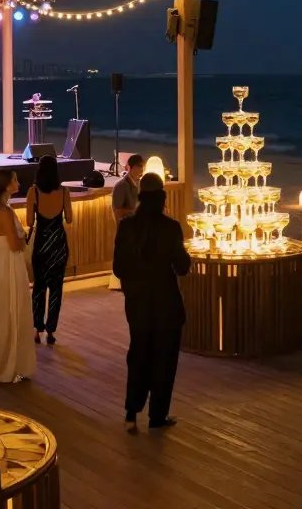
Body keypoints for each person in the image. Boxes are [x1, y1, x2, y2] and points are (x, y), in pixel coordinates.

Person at [113, 172, 191, 432]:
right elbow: (182, 267)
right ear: (162, 197)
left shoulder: (126, 226)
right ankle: (158, 415)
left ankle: (131, 413)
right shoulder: (171, 227)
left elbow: (118, 268)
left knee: (138, 354)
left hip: (137, 303)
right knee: (164, 359)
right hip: (166, 303)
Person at [0, 168, 37, 383]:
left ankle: (7, 362)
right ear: (7, 185)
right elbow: (15, 245)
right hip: (8, 265)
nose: (18, 182)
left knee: (3, 312)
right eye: (15, 180)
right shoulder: (4, 211)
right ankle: (7, 366)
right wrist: (25, 238)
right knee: (11, 312)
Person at [27, 155, 73, 345]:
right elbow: (69, 219)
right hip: (59, 243)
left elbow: (30, 222)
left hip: (41, 244)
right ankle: (51, 330)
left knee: (39, 287)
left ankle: (37, 329)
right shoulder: (64, 191)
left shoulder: (33, 192)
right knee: (56, 288)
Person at [108, 153, 145, 291]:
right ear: (131, 167)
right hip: (127, 227)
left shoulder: (140, 183)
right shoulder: (121, 185)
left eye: (142, 167)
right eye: (139, 167)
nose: (141, 170)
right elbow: (116, 210)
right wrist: (134, 210)